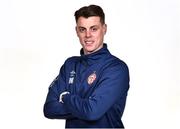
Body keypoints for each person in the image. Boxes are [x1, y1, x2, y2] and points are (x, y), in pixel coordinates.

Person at [43, 4, 130, 128]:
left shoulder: (116, 69)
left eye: (94, 29)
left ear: (104, 29)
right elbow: (49, 108)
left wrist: (66, 98)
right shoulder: (70, 65)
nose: (88, 35)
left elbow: (92, 112)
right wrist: (85, 105)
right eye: (82, 29)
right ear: (77, 31)